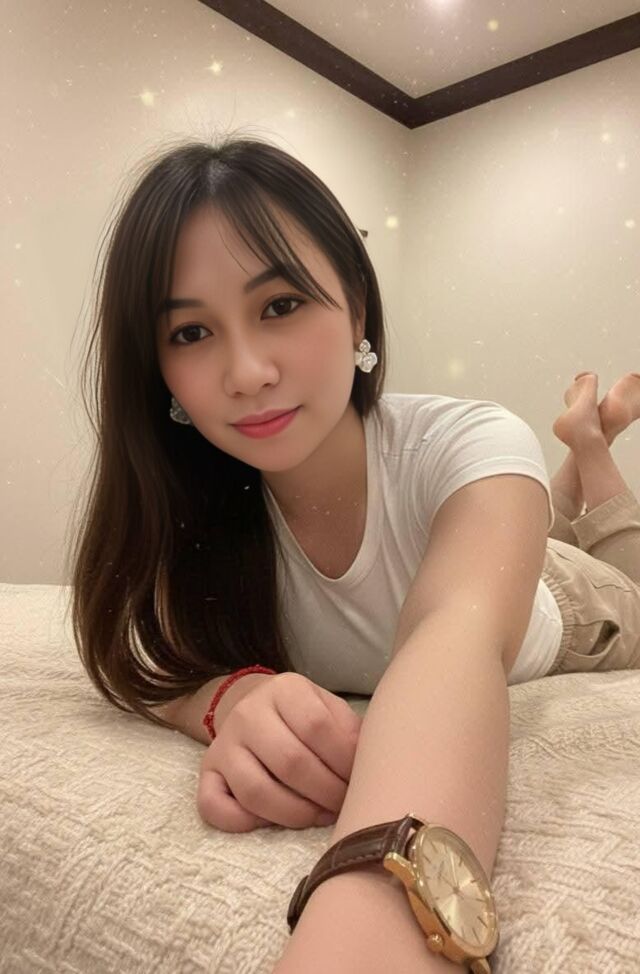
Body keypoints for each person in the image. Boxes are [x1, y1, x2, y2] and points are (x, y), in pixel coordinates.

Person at [65, 134, 640, 837]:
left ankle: (590, 442)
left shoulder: (466, 441)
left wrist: (379, 876)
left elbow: (450, 652)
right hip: (490, 540)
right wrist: (227, 698)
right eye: (190, 333)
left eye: (280, 305)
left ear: (356, 309)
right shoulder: (193, 508)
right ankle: (575, 463)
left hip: (572, 603)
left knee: (621, 560)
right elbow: (134, 655)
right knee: (541, 521)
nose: (246, 373)